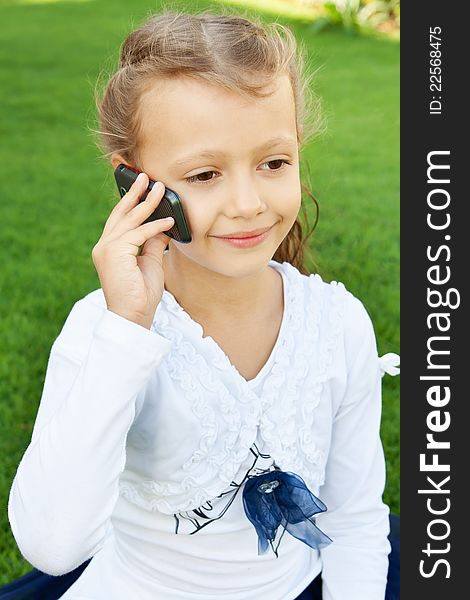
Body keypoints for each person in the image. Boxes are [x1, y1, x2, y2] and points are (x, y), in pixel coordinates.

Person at [7, 9, 399, 600]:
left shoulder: (336, 324)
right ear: (135, 184)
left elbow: (354, 518)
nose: (247, 203)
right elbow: (54, 544)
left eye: (273, 163)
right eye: (206, 173)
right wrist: (126, 334)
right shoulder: (105, 331)